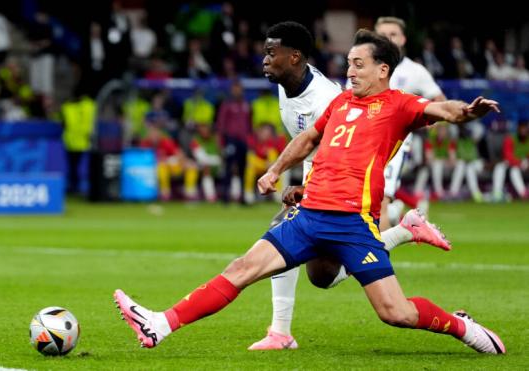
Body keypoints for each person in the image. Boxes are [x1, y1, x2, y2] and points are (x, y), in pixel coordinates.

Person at [114, 29, 505, 355]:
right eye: (348, 63)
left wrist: (468, 112)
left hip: (353, 222)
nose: (349, 71)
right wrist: (275, 171)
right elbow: (307, 138)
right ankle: (160, 324)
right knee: (242, 269)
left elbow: (445, 110)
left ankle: (461, 327)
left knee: (395, 313)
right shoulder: (339, 103)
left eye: (358, 64)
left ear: (383, 69)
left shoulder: (399, 105)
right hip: (310, 214)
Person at [245, 21, 450, 351]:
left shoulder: (334, 95)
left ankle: (280, 332)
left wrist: (305, 187)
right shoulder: (288, 84)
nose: (265, 59)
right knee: (322, 276)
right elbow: (309, 141)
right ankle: (405, 231)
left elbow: (336, 150)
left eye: (272, 53)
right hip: (328, 169)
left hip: (358, 171)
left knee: (284, 229)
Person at [367, 16, 447, 229]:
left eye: (392, 34)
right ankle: (395, 215)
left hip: (394, 144)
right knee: (360, 203)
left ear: (402, 39)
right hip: (363, 142)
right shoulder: (362, 66)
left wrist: (426, 123)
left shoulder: (415, 71)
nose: (387, 39)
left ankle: (375, 259)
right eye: (382, 35)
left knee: (379, 201)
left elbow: (441, 103)